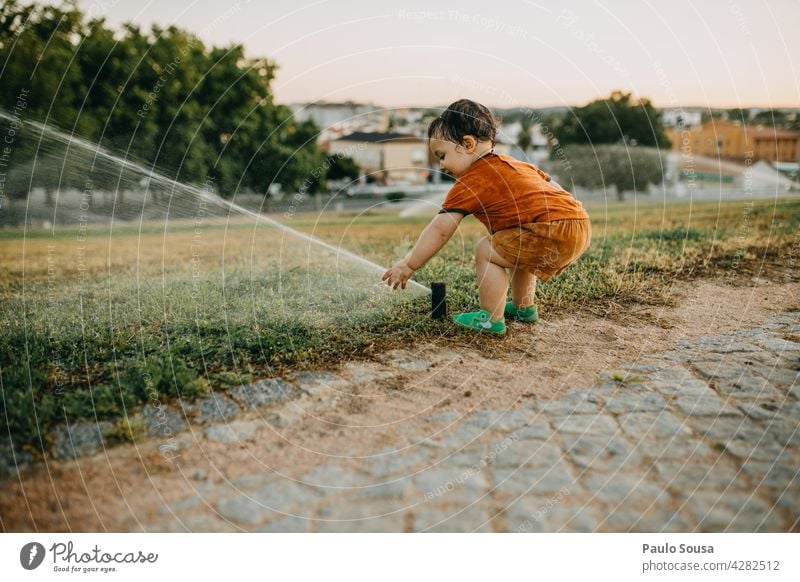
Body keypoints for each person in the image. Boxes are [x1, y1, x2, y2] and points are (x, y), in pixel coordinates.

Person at [381, 99, 591, 335]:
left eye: (442, 155)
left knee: (486, 251)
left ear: (467, 144)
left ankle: (491, 319)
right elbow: (554, 187)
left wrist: (409, 264)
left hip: (551, 230)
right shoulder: (517, 164)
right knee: (511, 247)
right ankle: (524, 308)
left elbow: (440, 229)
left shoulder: (473, 180)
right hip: (578, 223)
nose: (441, 165)